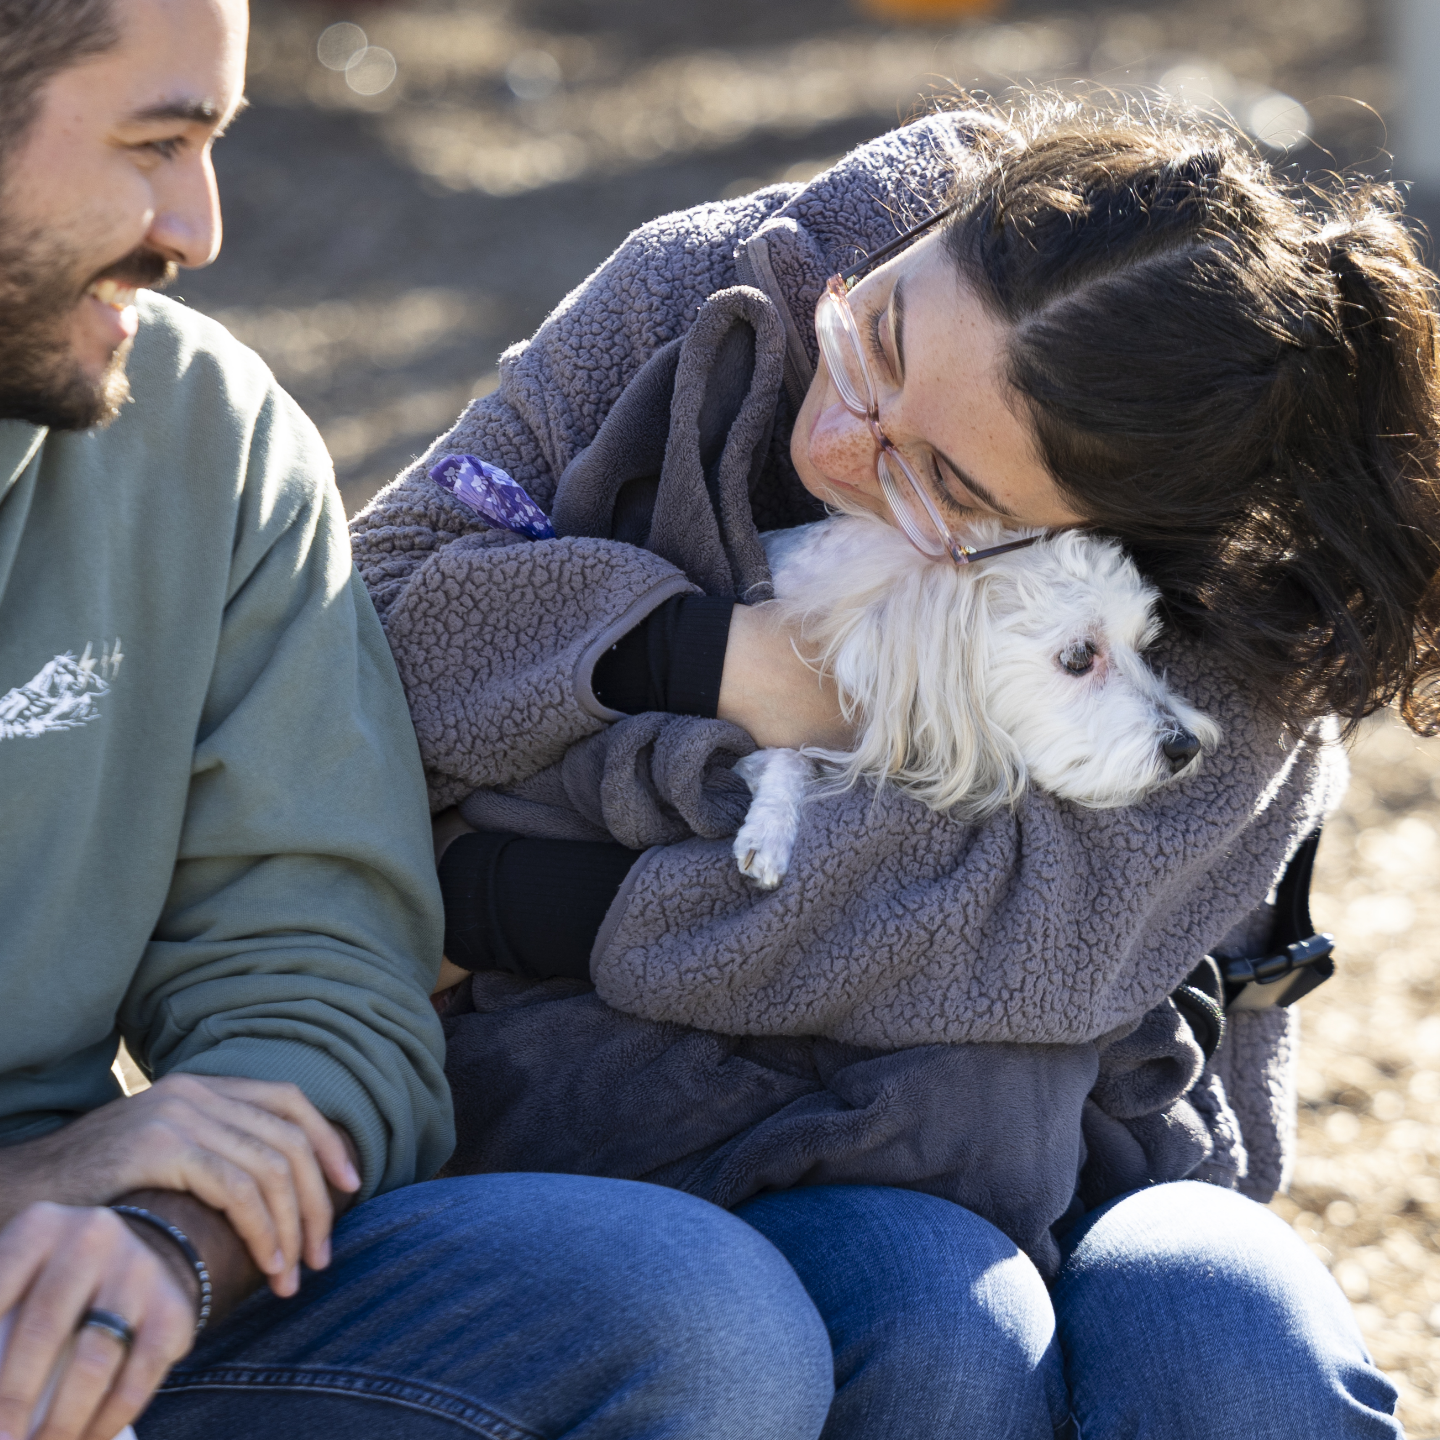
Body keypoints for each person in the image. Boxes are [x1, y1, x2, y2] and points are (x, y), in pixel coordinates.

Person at [352, 95, 1438, 1436]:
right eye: (880, 336)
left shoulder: (1255, 594)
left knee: (1224, 1328)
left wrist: (496, 899)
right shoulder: (717, 280)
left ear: (1124, 536)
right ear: (932, 231)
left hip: (1090, 1143)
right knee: (935, 1318)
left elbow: (1015, 934)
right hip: (617, 1110)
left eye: (952, 487)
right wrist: (705, 656)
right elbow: (367, 624)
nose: (833, 441)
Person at [0, 3, 837, 1438]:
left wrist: (151, 1244)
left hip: (71, 1283)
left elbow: (319, 985)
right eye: (157, 142)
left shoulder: (200, 431)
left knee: (688, 1316)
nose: (197, 227)